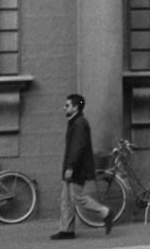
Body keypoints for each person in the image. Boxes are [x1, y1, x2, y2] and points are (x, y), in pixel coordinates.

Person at [50, 93, 112, 240]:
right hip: (71, 167)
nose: (64, 108)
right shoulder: (75, 122)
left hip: (77, 168)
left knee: (77, 198)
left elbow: (78, 147)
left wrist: (70, 167)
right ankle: (66, 230)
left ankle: (105, 212)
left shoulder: (80, 124)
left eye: (67, 105)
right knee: (66, 199)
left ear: (76, 107)